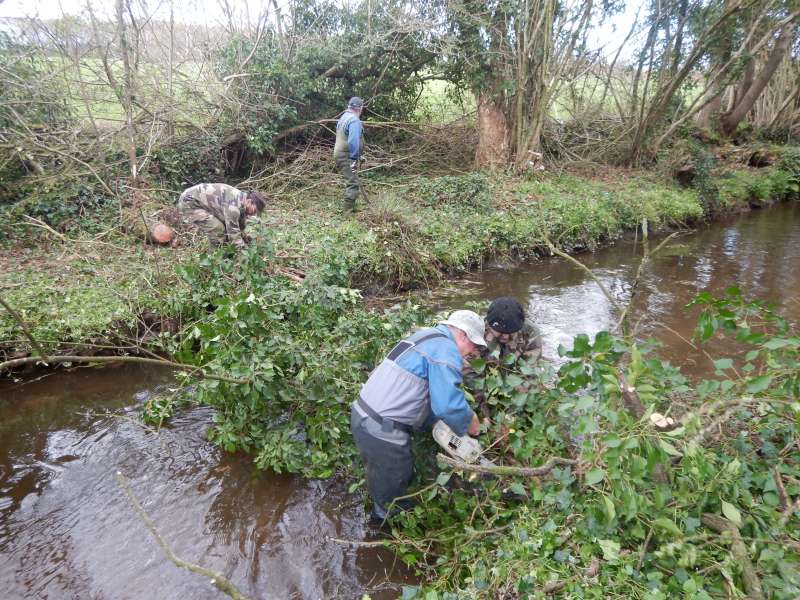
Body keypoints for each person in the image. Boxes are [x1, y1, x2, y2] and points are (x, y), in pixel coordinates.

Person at [351, 310, 487, 522]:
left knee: (383, 480)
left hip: (363, 415)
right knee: (393, 497)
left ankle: (381, 507)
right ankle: (384, 536)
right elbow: (448, 407)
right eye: (474, 346)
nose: (473, 353)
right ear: (463, 335)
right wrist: (471, 425)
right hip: (382, 429)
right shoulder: (446, 349)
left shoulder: (425, 337)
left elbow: (419, 391)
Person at [465, 297, 543, 422]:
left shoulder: (531, 332)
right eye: (500, 332)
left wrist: (510, 418)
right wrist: (484, 415)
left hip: (514, 381)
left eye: (511, 332)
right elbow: (471, 376)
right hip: (488, 383)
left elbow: (529, 375)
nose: (505, 337)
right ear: (489, 326)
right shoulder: (477, 333)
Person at [177, 183, 266, 249]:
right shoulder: (233, 206)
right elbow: (233, 235)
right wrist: (245, 252)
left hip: (200, 201)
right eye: (254, 210)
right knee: (218, 228)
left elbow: (240, 225)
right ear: (249, 201)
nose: (253, 214)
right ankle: (214, 259)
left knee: (224, 227)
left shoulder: (242, 201)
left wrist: (246, 239)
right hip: (189, 202)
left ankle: (222, 251)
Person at [333, 96, 364, 213]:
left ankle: (351, 207)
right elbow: (353, 141)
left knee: (352, 179)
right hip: (346, 155)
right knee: (352, 182)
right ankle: (347, 212)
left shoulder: (344, 117)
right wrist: (354, 159)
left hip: (340, 154)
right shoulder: (354, 120)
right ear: (360, 109)